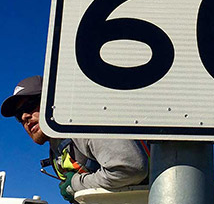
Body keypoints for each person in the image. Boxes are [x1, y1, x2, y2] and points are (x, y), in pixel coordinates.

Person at [1, 75, 149, 202]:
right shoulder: (57, 148)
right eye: (18, 115)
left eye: (31, 105)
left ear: (53, 99)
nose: (24, 116)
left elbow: (131, 168)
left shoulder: (82, 124)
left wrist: (75, 184)